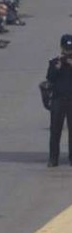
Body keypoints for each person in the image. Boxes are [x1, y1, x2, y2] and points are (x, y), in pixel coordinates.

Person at [45, 34, 72, 166]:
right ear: (61, 47)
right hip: (58, 99)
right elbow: (50, 78)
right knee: (55, 130)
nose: (68, 52)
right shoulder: (55, 61)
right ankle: (53, 158)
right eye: (66, 49)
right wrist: (58, 65)